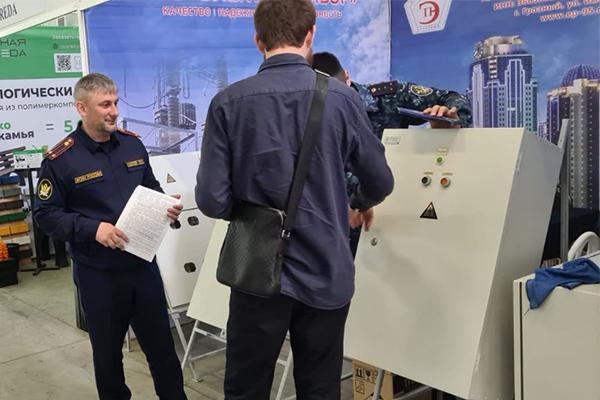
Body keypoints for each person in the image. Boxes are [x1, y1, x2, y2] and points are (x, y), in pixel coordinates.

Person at [195, 1, 394, 399]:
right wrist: (356, 202)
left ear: (258, 40)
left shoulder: (228, 103)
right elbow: (380, 180)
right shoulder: (342, 99)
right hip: (325, 269)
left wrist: (254, 213)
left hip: (256, 272)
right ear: (311, 34)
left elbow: (212, 201)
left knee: (246, 387)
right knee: (320, 387)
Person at [33, 73, 187, 400]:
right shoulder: (61, 160)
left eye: (115, 102)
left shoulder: (132, 144)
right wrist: (94, 229)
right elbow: (45, 214)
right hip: (98, 275)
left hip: (142, 267)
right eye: (105, 104)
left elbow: (151, 188)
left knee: (162, 350)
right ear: (82, 108)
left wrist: (166, 206)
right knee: (108, 358)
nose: (114, 111)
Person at [312, 52, 473, 253]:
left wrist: (449, 117)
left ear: (347, 77)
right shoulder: (308, 113)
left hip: (387, 228)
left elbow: (453, 98)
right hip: (331, 234)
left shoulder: (387, 97)